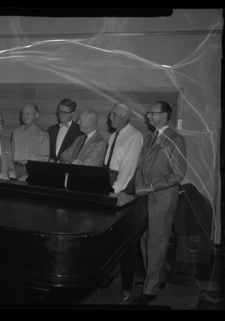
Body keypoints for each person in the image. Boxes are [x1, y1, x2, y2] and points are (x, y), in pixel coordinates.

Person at [133, 101, 187, 306]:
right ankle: (156, 279)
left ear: (165, 115)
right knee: (145, 240)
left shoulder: (177, 140)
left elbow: (178, 174)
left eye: (152, 113)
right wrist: (139, 185)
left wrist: (150, 186)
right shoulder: (149, 138)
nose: (148, 117)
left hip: (162, 199)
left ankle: (150, 290)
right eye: (148, 114)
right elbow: (139, 166)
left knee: (156, 243)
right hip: (145, 197)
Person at [98, 102, 143, 304]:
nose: (110, 118)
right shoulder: (114, 135)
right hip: (110, 186)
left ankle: (126, 288)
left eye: (114, 115)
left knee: (127, 243)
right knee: (108, 237)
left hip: (122, 190)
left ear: (126, 117)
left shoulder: (134, 136)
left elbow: (128, 168)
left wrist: (113, 191)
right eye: (110, 114)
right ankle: (108, 275)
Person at [11, 103, 50, 179]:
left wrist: (30, 175)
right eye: (23, 114)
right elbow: (11, 152)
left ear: (36, 115)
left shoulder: (43, 134)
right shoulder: (16, 131)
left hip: (32, 171)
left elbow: (44, 160)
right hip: (15, 169)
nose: (24, 116)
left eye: (28, 114)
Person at [47, 98, 83, 163]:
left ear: (72, 113)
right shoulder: (51, 129)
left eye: (65, 113)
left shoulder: (79, 131)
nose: (61, 115)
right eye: (60, 112)